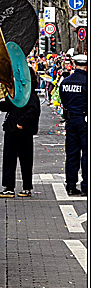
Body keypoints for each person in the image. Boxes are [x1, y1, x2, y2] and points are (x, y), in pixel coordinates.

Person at [0, 67, 42, 198]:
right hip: (11, 130)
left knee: (26, 160)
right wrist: (1, 97)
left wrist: (21, 122)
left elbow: (34, 110)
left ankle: (26, 187)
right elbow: (7, 107)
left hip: (23, 131)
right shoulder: (16, 94)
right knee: (9, 159)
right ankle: (9, 187)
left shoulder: (30, 95)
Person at [59, 53, 88, 196]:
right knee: (86, 155)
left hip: (71, 121)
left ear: (74, 65)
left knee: (71, 155)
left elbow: (63, 101)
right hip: (84, 120)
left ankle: (70, 185)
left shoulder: (65, 82)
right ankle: (86, 186)